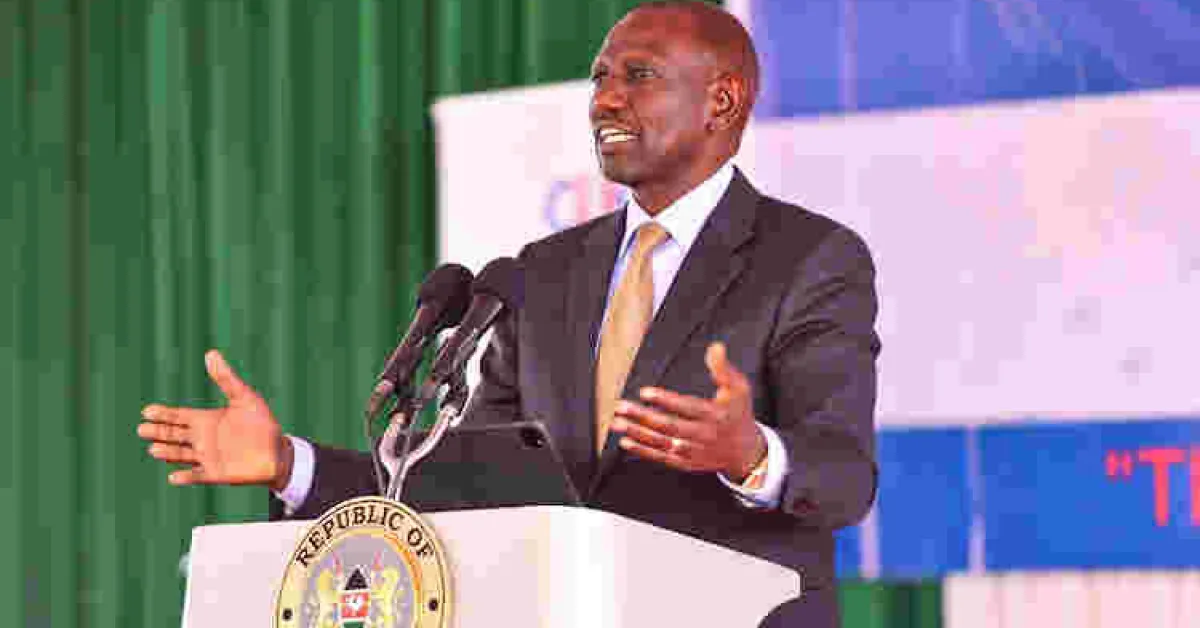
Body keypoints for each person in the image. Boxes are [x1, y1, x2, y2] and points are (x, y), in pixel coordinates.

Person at [138, 2, 880, 625]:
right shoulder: (543, 272)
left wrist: (752, 454)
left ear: (722, 100)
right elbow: (460, 488)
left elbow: (845, 477)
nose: (604, 100)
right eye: (600, 79)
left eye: (638, 76)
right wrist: (288, 464)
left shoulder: (809, 258)